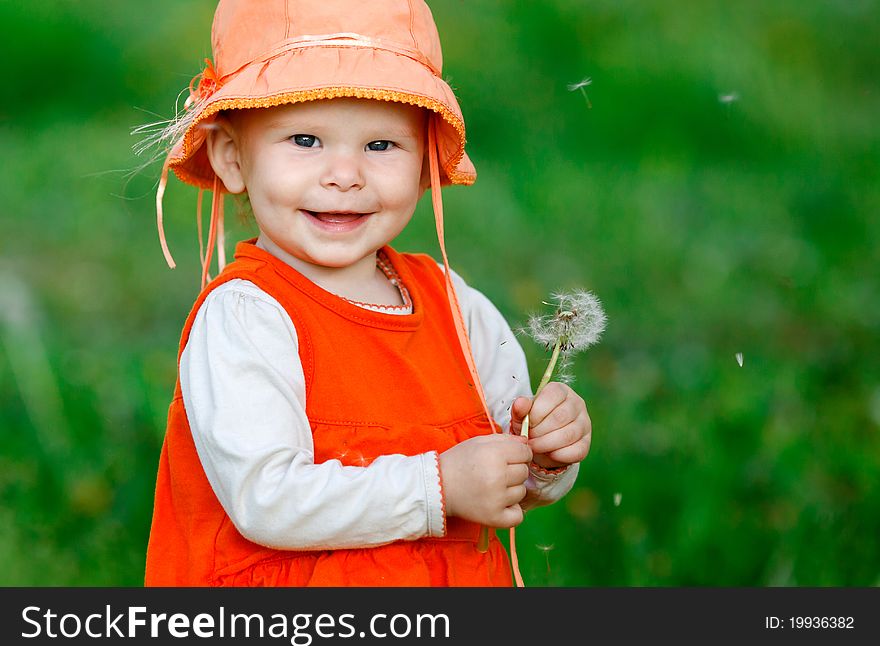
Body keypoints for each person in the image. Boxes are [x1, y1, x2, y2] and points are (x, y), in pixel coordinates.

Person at [143, 0, 592, 587]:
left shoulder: (456, 308)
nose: (345, 174)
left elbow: (500, 474)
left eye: (381, 146)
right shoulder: (247, 316)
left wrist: (545, 459)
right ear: (231, 157)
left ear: (424, 155)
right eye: (305, 139)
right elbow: (265, 498)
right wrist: (439, 486)